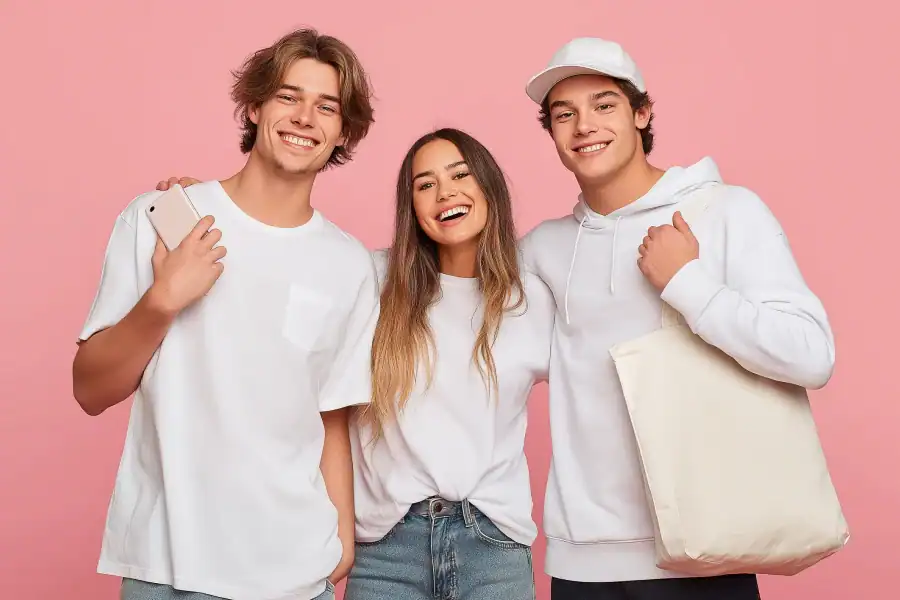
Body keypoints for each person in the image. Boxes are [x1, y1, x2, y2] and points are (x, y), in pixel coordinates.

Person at [520, 37, 836, 600]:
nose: (584, 125)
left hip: (704, 551)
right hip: (582, 563)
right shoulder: (544, 248)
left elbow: (811, 354)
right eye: (564, 114)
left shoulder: (725, 211)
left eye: (604, 105)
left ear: (642, 114)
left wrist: (689, 285)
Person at [72, 29, 379, 600]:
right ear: (255, 105)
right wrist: (161, 301)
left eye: (327, 105)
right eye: (288, 96)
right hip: (168, 566)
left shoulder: (348, 264)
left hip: (293, 571)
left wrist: (340, 540)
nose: (305, 117)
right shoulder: (164, 217)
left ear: (343, 130)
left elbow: (332, 413)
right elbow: (89, 389)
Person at [345, 128, 554, 600]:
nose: (446, 193)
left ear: (488, 187)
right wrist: (224, 213)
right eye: (425, 184)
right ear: (412, 208)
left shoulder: (532, 300)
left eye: (460, 174)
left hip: (493, 547)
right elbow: (284, 262)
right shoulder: (373, 279)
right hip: (386, 549)